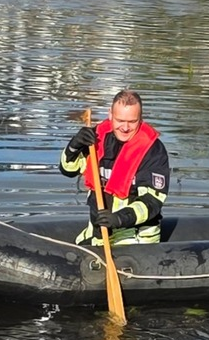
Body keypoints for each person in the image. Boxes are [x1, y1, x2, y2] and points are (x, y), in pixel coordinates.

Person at [60, 90, 170, 245]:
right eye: (120, 120)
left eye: (132, 122)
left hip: (135, 238)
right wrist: (73, 146)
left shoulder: (153, 151)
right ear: (110, 114)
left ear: (141, 119)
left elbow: (152, 202)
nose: (125, 128)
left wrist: (118, 218)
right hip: (98, 232)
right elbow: (68, 170)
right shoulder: (96, 138)